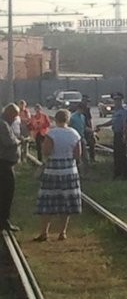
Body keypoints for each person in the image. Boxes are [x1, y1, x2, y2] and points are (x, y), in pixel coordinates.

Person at [34, 109, 82, 242]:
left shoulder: (52, 133)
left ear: (56, 119)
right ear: (68, 120)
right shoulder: (74, 134)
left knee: (48, 202)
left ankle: (44, 232)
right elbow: (78, 155)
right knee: (65, 202)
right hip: (69, 170)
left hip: (53, 171)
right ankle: (62, 232)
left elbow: (46, 151)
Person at [96, 93, 127, 180]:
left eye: (118, 100)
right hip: (116, 134)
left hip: (121, 134)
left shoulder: (123, 112)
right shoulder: (116, 112)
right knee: (116, 155)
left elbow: (125, 124)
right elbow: (112, 122)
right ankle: (117, 173)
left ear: (121, 101)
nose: (116, 102)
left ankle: (125, 174)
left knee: (122, 155)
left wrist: (125, 135)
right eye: (115, 100)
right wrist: (101, 125)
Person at [0, 103, 21, 232]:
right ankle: (4, 221)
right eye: (14, 116)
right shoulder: (2, 125)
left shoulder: (4, 123)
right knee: (6, 193)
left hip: (4, 163)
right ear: (9, 114)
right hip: (4, 164)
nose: (15, 119)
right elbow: (9, 142)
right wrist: (19, 141)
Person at [69, 103, 89, 172]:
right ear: (79, 109)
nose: (83, 111)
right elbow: (69, 127)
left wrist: (91, 131)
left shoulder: (83, 117)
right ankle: (77, 171)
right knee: (77, 156)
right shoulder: (72, 117)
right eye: (82, 110)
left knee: (85, 156)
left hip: (82, 138)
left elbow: (84, 127)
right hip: (74, 139)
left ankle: (85, 172)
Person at [80, 95, 96, 163]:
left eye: (87, 102)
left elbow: (89, 120)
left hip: (88, 129)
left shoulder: (87, 109)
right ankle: (82, 160)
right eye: (85, 101)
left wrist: (91, 130)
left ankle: (92, 158)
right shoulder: (79, 109)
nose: (86, 103)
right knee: (82, 145)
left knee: (92, 143)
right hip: (82, 129)